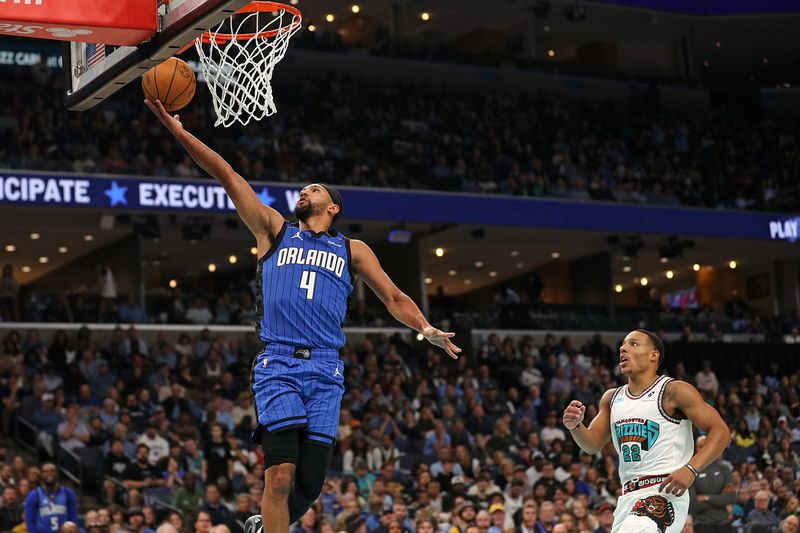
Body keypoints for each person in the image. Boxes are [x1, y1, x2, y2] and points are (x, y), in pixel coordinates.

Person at [146, 99, 460, 533]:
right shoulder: (273, 229)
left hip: (327, 371)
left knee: (309, 487)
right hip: (279, 365)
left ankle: (264, 527)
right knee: (279, 476)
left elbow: (394, 297)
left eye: (315, 189)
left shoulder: (352, 249)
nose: (304, 191)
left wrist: (425, 328)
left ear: (333, 208)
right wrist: (178, 132)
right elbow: (227, 175)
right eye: (304, 188)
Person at [562, 330, 730, 533]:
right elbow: (592, 444)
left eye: (633, 344)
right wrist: (576, 426)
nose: (623, 348)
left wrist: (691, 468)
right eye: (622, 345)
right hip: (627, 497)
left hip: (663, 493)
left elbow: (721, 431)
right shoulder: (611, 398)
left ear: (654, 355)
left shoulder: (673, 390)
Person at [688, 436, 735, 533]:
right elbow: (693, 504)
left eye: (705, 445)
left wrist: (705, 498)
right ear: (696, 449)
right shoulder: (691, 471)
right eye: (700, 446)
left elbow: (731, 498)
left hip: (723, 523)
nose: (703, 449)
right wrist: (720, 500)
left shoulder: (725, 469)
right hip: (702, 524)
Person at [23, 463, 78, 533]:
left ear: (57, 473)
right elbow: (30, 522)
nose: (49, 474)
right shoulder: (33, 495)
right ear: (41, 475)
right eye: (46, 471)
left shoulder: (68, 493)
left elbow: (73, 519)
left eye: (52, 471)